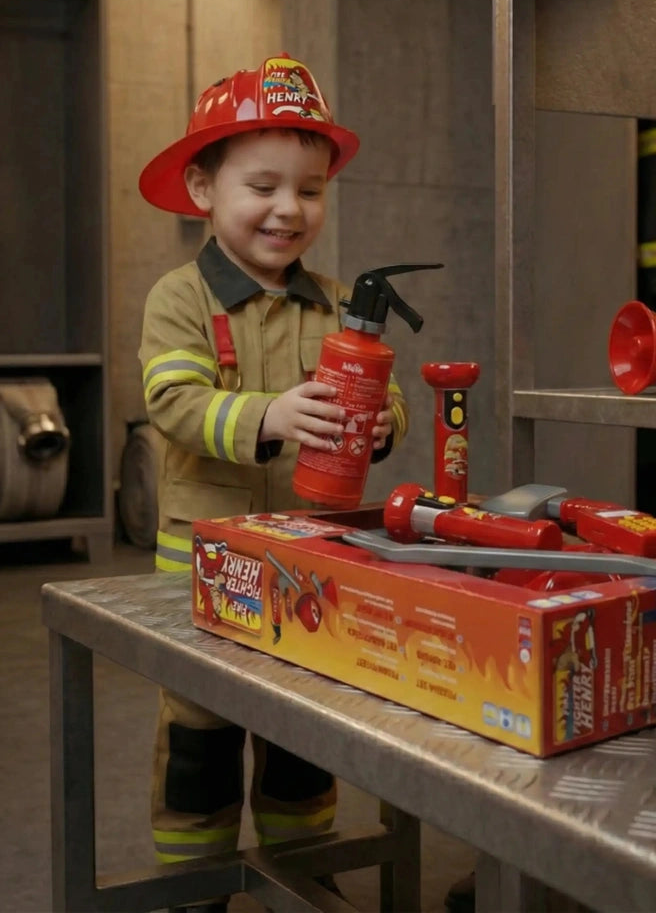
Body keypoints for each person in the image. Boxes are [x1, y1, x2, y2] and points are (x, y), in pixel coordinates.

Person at [136, 53, 408, 913]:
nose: (290, 209)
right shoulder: (178, 300)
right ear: (202, 188)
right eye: (263, 185)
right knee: (200, 746)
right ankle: (195, 887)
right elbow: (174, 403)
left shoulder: (336, 306)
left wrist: (382, 419)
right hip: (203, 579)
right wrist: (269, 417)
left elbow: (386, 397)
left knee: (303, 743)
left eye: (312, 189)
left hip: (311, 573)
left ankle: (303, 872)